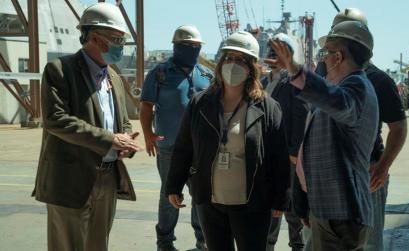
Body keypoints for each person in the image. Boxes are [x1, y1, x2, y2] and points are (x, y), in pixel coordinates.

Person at [165, 31, 291, 251]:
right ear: (221, 61)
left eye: (241, 60)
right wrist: (174, 184)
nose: (233, 64)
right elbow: (184, 147)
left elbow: (278, 156)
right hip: (210, 202)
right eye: (229, 57)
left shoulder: (268, 108)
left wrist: (281, 197)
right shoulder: (200, 103)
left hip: (252, 205)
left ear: (252, 66)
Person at [32, 3, 142, 251]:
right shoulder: (60, 70)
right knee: (67, 245)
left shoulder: (112, 76)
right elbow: (56, 119)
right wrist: (110, 140)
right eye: (116, 39)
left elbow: (121, 121)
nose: (120, 46)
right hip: (71, 179)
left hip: (107, 177)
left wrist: (126, 140)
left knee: (98, 245)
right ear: (94, 37)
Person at [268, 20, 379, 250]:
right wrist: (304, 203)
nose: (323, 59)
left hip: (340, 214)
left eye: (325, 53)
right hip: (328, 211)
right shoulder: (345, 87)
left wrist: (296, 70)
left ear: (338, 57)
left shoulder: (357, 86)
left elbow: (339, 103)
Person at [322, 8, 408, 251]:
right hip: (327, 179)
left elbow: (399, 127)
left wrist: (383, 167)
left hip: (366, 177)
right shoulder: (323, 73)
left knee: (367, 243)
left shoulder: (379, 80)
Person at [139, 25, 212, 251]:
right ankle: (165, 242)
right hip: (169, 147)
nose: (192, 49)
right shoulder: (159, 74)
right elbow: (146, 106)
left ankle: (202, 241)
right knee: (169, 194)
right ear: (176, 47)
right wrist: (148, 135)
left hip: (200, 150)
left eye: (196, 47)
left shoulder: (205, 75)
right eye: (187, 46)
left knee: (201, 195)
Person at [262, 33, 307, 251]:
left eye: (278, 50)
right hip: (266, 154)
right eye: (271, 50)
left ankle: (297, 246)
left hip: (288, 154)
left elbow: (300, 114)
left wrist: (294, 150)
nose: (272, 55)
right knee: (271, 206)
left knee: (291, 207)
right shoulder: (263, 81)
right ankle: (268, 245)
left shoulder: (293, 82)